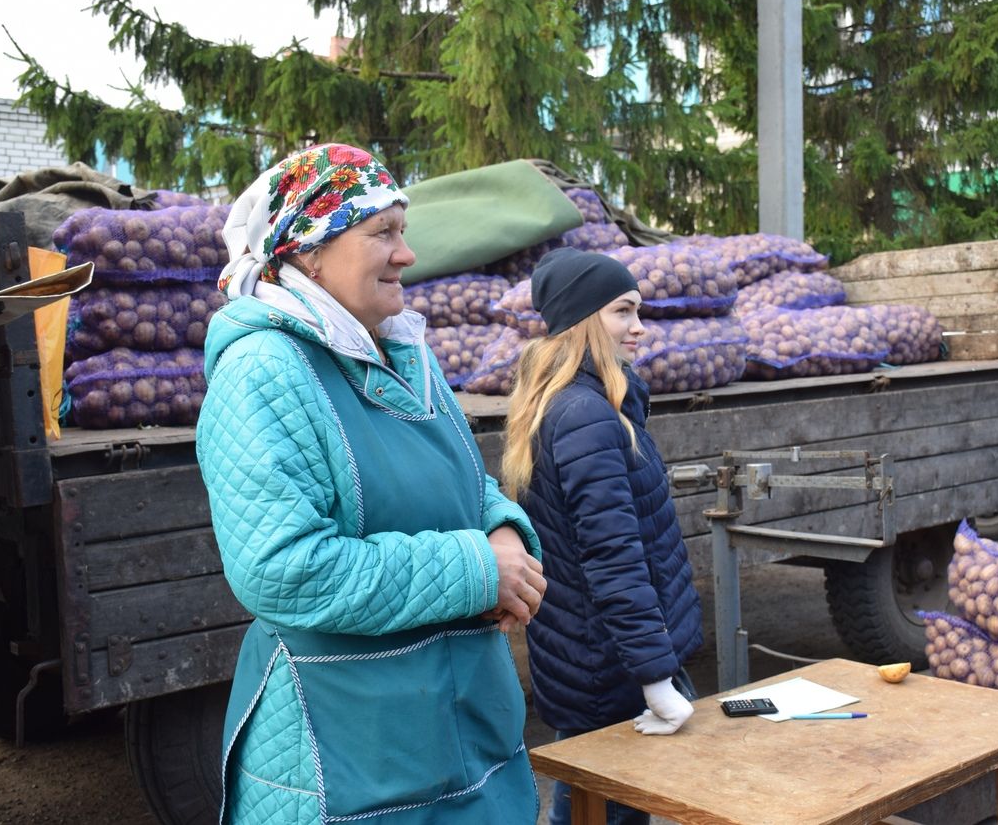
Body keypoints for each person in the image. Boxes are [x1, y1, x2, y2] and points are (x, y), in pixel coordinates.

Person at [195, 143, 547, 824]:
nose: (407, 254)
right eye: (381, 232)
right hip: (350, 762)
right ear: (308, 252)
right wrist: (480, 567)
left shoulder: (404, 350)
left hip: (461, 736)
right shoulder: (265, 370)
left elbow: (467, 484)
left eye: (403, 231)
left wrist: (504, 527)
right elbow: (282, 569)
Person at [501, 247, 704, 825]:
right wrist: (656, 678)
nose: (639, 327)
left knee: (591, 811)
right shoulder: (586, 415)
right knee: (604, 814)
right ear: (584, 320)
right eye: (623, 311)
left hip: (600, 661)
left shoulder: (590, 406)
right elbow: (614, 558)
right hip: (614, 673)